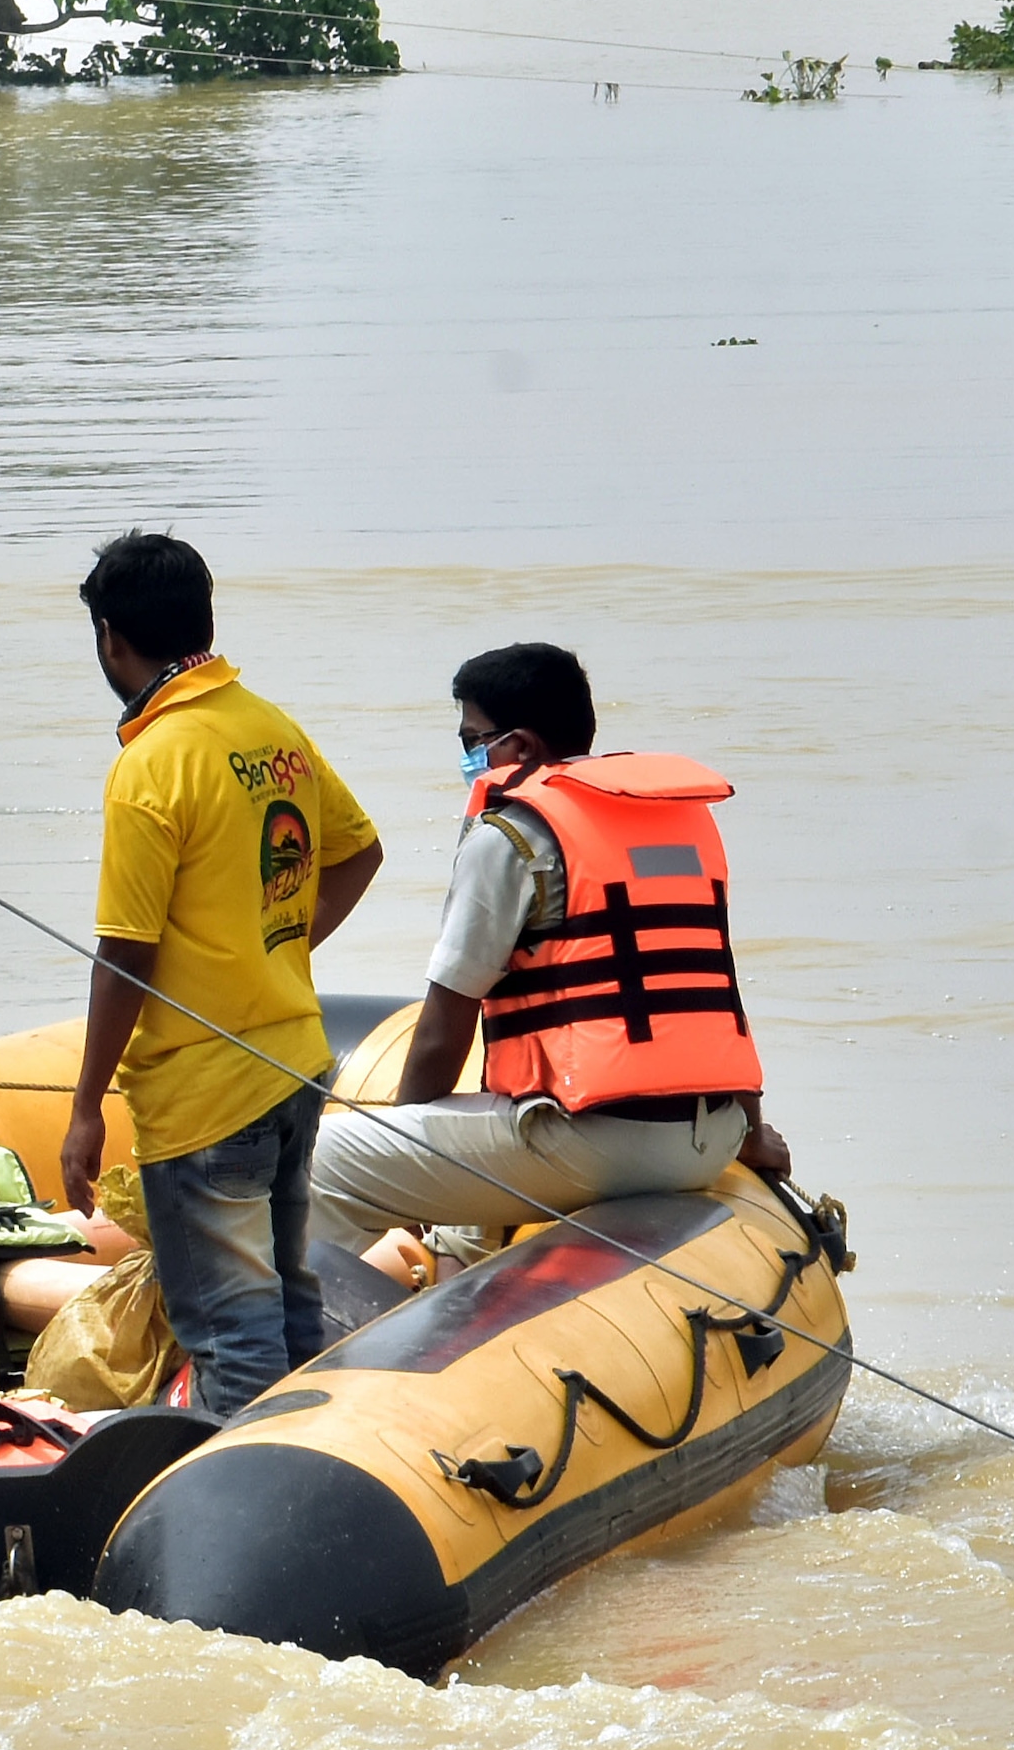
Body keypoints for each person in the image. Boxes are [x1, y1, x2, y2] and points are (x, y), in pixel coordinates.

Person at [309, 643, 792, 1248]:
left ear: (522, 747)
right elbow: (707, 992)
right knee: (478, 1145)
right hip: (706, 1139)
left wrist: (406, 1150)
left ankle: (327, 1337)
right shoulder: (677, 825)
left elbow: (442, 1030)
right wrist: (750, 1132)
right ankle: (459, 1278)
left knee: (315, 1162)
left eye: (472, 740)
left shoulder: (509, 837)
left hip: (592, 1143)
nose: (467, 758)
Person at [54, 531, 383, 1417]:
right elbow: (361, 852)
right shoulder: (269, 728)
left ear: (112, 639)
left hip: (206, 1097)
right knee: (290, 1297)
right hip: (295, 1062)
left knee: (231, 1327)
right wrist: (276, 946)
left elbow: (125, 949)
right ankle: (315, 1465)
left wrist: (85, 1106)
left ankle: (259, 1510)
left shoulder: (151, 762)